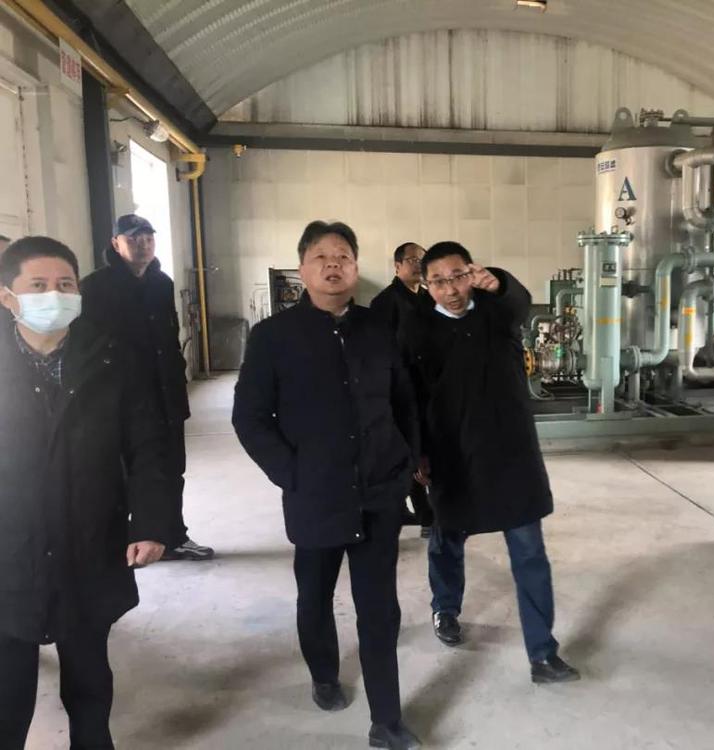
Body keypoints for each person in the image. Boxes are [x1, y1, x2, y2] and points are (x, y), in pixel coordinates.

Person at [233, 221, 422, 750]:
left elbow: (404, 401)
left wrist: (407, 461)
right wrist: (292, 474)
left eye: (343, 256)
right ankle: (324, 674)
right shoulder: (273, 336)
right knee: (315, 596)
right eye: (321, 256)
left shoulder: (378, 330)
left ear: (356, 268)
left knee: (378, 607)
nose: (333, 264)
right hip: (315, 494)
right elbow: (250, 418)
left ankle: (387, 720)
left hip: (379, 493)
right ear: (302, 269)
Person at [0, 236, 173, 749]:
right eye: (37, 285)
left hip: (90, 540)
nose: (53, 295)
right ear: (7, 296)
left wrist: (151, 522)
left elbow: (148, 446)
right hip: (10, 549)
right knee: (7, 687)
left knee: (89, 677)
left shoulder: (112, 357)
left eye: (65, 284)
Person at [400, 241, 580, 685]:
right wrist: (416, 450)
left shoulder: (496, 312)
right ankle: (445, 609)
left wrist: (497, 282)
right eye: (438, 281)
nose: (451, 290)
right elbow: (409, 396)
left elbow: (519, 302)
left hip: (509, 453)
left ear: (471, 273)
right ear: (426, 285)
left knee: (529, 552)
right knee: (446, 539)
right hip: (451, 454)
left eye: (458, 277)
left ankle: (543, 653)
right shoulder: (416, 329)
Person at [80, 214, 213, 562]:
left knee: (172, 470)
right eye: (133, 239)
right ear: (116, 244)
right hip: (122, 401)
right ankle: (123, 542)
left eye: (148, 238)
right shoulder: (95, 288)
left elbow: (169, 337)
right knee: (124, 474)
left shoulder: (161, 283)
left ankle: (172, 537)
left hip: (166, 396)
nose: (142, 245)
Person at [370, 242, 434, 538]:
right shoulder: (385, 302)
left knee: (424, 449)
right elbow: (378, 351)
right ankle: (425, 516)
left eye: (422, 259)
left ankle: (414, 511)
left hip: (426, 385)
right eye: (412, 260)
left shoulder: (427, 297)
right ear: (397, 266)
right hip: (400, 388)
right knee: (407, 449)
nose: (418, 265)